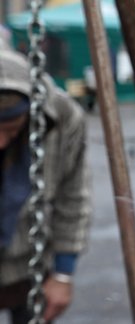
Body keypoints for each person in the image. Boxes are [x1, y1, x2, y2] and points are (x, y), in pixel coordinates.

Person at [0, 49, 91, 323]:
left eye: (12, 129)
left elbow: (73, 197)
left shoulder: (63, 117)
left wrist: (63, 274)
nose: (1, 142)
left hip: (29, 267)